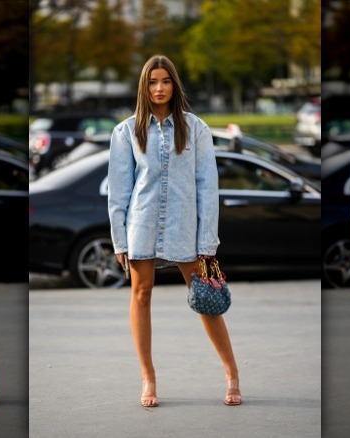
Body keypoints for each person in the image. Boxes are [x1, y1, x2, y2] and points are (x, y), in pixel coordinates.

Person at [107, 55, 241, 407]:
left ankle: (231, 371)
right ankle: (148, 377)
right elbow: (120, 191)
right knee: (141, 294)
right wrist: (119, 238)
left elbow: (207, 186)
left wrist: (207, 241)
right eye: (153, 82)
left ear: (174, 85)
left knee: (205, 298)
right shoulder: (125, 131)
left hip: (185, 225)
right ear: (144, 86)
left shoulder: (195, 129)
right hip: (142, 222)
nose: (159, 88)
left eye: (165, 81)